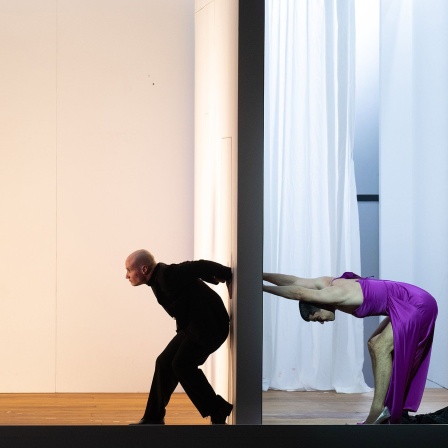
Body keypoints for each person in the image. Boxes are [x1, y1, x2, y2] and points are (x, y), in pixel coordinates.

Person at [262, 271, 438, 424]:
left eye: (317, 318)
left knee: (380, 347)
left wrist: (260, 288)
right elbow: (294, 281)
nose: (321, 322)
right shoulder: (325, 284)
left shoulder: (335, 294)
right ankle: (386, 404)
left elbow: (298, 292)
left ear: (319, 303)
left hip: (417, 304)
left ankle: (378, 410)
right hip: (409, 300)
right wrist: (260, 276)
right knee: (374, 344)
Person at [125, 249, 233, 425]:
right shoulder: (157, 279)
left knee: (181, 365)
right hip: (194, 327)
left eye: (129, 270)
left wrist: (225, 274)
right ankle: (154, 417)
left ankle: (217, 409)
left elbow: (198, 266)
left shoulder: (167, 274)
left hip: (211, 327)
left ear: (144, 269)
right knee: (163, 362)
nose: (126, 276)